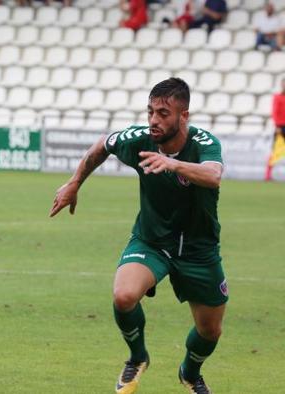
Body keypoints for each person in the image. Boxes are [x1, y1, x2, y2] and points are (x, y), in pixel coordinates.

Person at [50, 78, 227, 394]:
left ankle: (190, 372)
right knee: (124, 295)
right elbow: (102, 145)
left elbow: (213, 175)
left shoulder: (203, 142)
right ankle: (137, 357)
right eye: (150, 112)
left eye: (163, 113)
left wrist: (173, 163)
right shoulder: (139, 139)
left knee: (210, 330)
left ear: (183, 116)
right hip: (152, 240)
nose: (154, 121)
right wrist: (75, 182)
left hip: (199, 248)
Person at [266, 77, 285, 181]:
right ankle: (268, 175)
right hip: (281, 127)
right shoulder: (277, 97)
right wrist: (277, 125)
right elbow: (275, 112)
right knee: (275, 151)